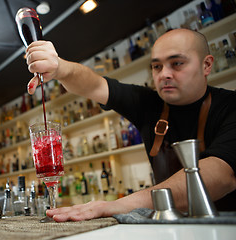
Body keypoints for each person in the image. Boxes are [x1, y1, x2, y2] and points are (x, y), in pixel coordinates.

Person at [25, 29, 236, 222]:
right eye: (156, 66)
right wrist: (61, 68)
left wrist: (119, 205)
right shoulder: (149, 104)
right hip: (169, 226)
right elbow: (95, 84)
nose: (164, 74)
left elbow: (219, 175)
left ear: (207, 65)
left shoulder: (230, 106)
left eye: (177, 63)